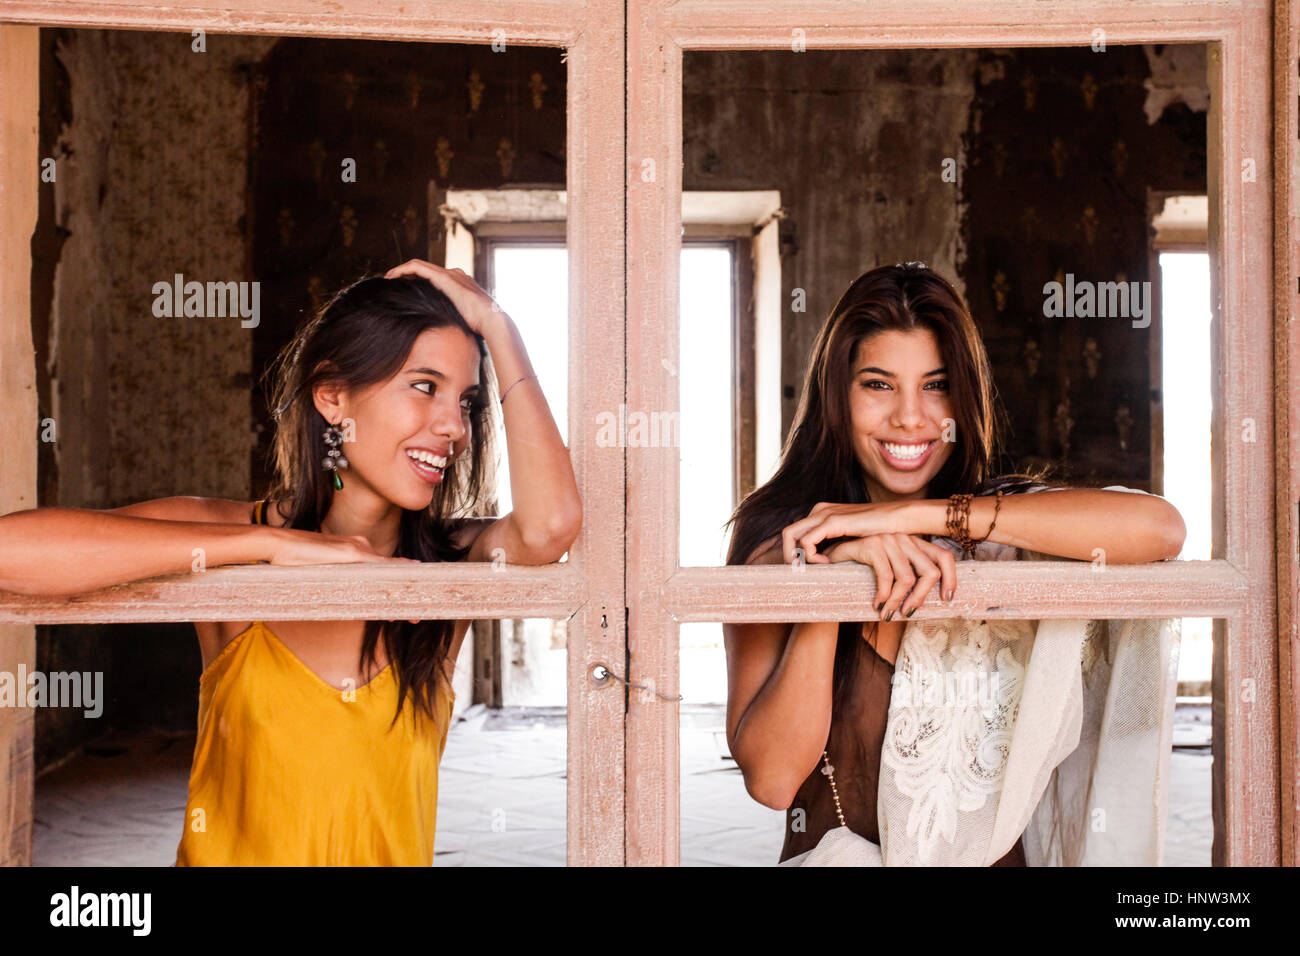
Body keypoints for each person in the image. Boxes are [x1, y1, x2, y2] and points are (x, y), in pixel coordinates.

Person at [0, 259, 582, 865]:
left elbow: (550, 528)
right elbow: (10, 553)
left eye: (466, 402)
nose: (452, 427)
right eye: (424, 386)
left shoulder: (448, 562)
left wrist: (500, 328)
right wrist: (272, 548)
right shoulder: (233, 536)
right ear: (332, 397)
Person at [722, 261, 1186, 866]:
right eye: (878, 385)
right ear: (838, 396)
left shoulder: (1003, 523)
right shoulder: (775, 539)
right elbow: (774, 780)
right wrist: (833, 578)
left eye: (935, 385)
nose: (911, 418)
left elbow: (1160, 528)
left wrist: (915, 518)